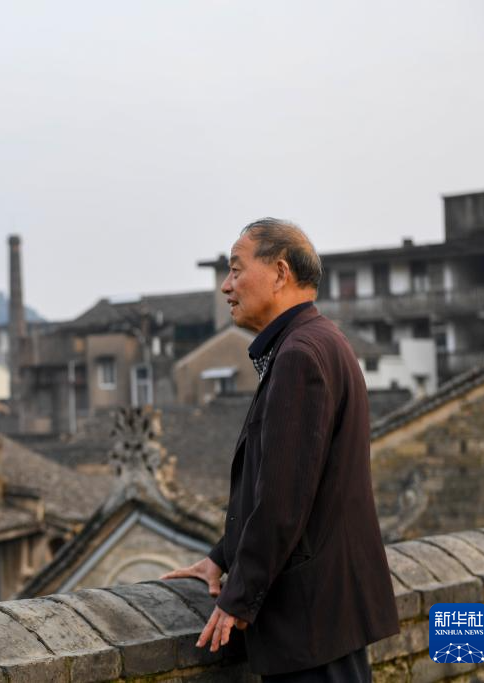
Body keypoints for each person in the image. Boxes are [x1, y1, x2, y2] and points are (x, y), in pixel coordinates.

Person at [162, 218, 399, 681]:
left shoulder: (299, 355)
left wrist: (238, 598)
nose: (226, 286)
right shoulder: (322, 339)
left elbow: (284, 498)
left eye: (235, 270)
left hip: (309, 624)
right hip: (327, 619)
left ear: (280, 273)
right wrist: (221, 557)